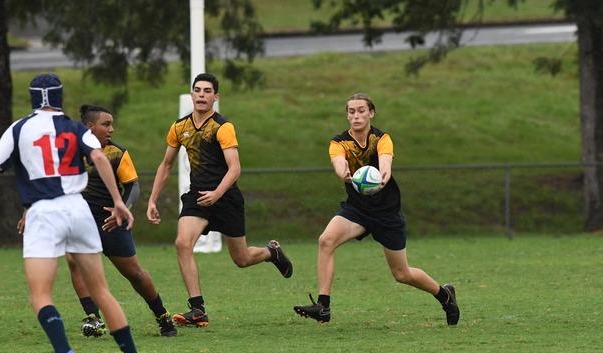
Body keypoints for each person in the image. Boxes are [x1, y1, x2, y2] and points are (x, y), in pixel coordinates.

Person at [0, 74, 145, 353]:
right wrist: (118, 201)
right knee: (102, 291)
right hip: (78, 210)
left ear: (32, 98)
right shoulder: (75, 128)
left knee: (40, 294)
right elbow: (101, 159)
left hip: (43, 212)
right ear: (59, 97)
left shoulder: (18, 128)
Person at [293, 93, 460, 326]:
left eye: (361, 110)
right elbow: (338, 163)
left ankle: (445, 295)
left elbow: (386, 161)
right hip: (357, 210)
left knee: (402, 274)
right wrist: (344, 173)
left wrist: (382, 175)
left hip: (386, 212)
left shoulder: (382, 138)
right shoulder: (338, 142)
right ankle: (323, 306)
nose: (356, 115)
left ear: (371, 113)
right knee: (326, 240)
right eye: (351, 111)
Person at [146, 72, 293, 327]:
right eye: (197, 90)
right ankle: (198, 309)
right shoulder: (179, 127)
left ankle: (272, 252)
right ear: (192, 94)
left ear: (216, 96)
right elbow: (166, 164)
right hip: (198, 198)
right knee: (182, 243)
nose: (201, 95)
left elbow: (234, 168)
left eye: (207, 91)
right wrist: (152, 200)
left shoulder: (223, 127)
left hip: (225, 198)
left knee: (242, 259)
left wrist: (217, 193)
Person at [45, 104, 176, 338]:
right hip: (79, 220)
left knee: (133, 272)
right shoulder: (68, 151)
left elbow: (133, 186)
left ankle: (162, 315)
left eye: (111, 124)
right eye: (106, 124)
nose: (111, 129)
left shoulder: (117, 152)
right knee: (75, 262)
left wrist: (122, 209)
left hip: (110, 221)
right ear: (89, 127)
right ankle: (93, 319)